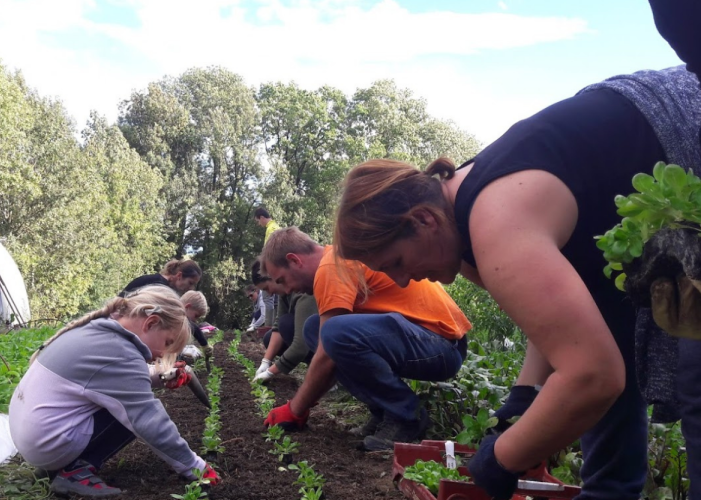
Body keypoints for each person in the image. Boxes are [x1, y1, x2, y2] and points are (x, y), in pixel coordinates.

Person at [331, 66, 701, 499]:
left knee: (696, 382)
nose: (400, 278)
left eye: (395, 261)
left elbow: (593, 378)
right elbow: (556, 321)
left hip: (684, 127)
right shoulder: (464, 226)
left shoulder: (493, 225)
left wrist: (502, 458)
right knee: (602, 346)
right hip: (652, 183)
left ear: (424, 220)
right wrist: (524, 394)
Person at [260, 227, 471, 451]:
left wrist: (295, 409)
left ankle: (407, 415)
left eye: (282, 280)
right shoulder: (335, 261)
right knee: (315, 328)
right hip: (426, 341)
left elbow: (327, 354)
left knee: (332, 332)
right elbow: (333, 354)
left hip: (443, 345)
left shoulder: (331, 267)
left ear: (294, 260)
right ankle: (383, 411)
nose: (287, 290)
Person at [9, 286, 220, 498]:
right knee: (137, 414)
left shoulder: (100, 332)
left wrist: (163, 376)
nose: (162, 354)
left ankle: (58, 465)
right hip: (47, 445)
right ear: (151, 323)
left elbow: (115, 377)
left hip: (31, 436)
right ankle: (74, 471)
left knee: (125, 402)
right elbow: (148, 419)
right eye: (166, 343)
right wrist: (195, 467)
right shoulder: (120, 351)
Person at [250, 259, 317, 384]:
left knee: (286, 324)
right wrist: (265, 362)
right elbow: (277, 326)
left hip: (323, 340)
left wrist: (271, 371)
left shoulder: (303, 290)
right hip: (309, 337)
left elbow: (300, 345)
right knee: (269, 337)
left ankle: (322, 370)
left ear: (274, 277)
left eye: (267, 288)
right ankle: (313, 364)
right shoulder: (284, 294)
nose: (269, 294)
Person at [254, 207, 280, 326]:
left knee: (268, 298)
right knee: (275, 301)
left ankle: (269, 327)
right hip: (277, 269)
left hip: (271, 270)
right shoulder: (277, 227)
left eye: (258, 221)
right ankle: (275, 326)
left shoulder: (271, 229)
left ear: (262, 217)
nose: (259, 224)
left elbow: (269, 253)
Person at [120, 259, 202, 296]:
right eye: (190, 283)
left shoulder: (159, 282)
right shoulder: (159, 286)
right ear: (179, 276)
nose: (191, 288)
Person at [180, 290, 211, 356]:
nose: (195, 320)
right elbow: (194, 327)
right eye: (196, 316)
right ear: (187, 307)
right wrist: (205, 345)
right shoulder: (174, 316)